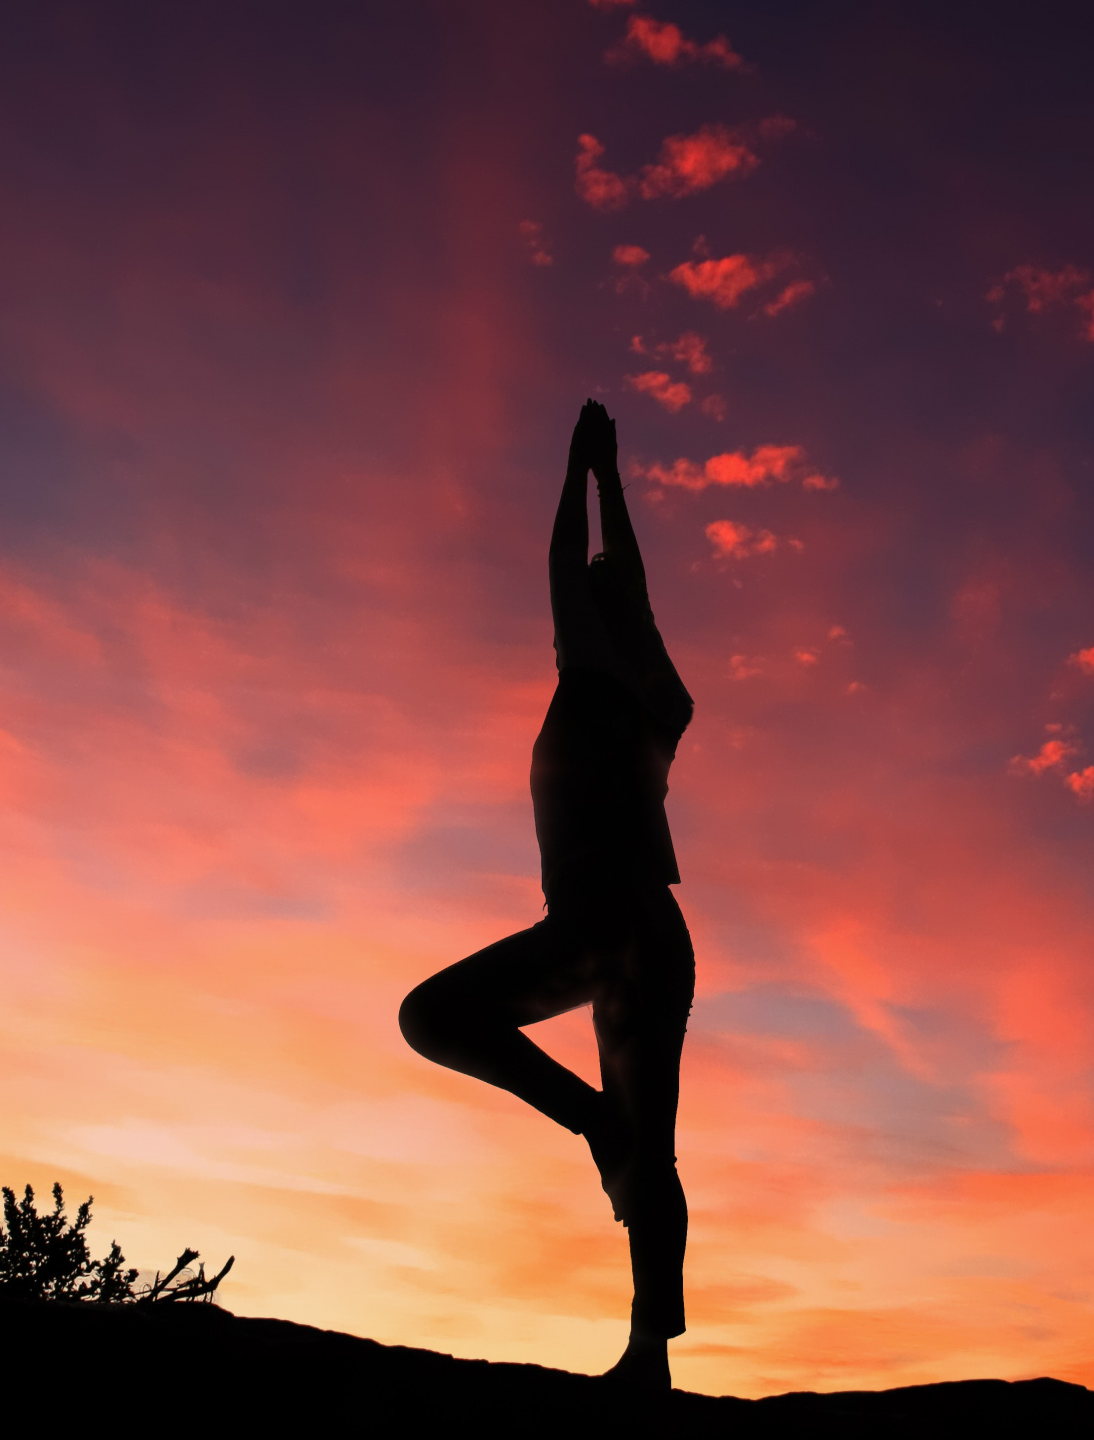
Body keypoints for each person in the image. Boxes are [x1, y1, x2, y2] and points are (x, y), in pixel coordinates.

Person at [399, 399, 696, 1389]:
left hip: (603, 922)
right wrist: (612, 483)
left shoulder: (601, 672)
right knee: (652, 1147)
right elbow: (629, 589)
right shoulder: (662, 697)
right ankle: (649, 1355)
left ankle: (592, 1124)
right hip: (654, 931)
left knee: (433, 1014)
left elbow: (577, 572)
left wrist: (583, 476)